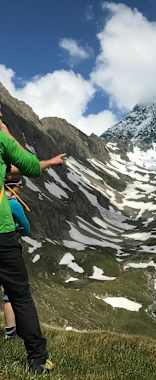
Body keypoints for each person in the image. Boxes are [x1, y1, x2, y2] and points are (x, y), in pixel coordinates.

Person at [0, 116, 65, 374]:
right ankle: (37, 360)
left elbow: (6, 170)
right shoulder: (2, 139)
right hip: (2, 232)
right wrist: (7, 134)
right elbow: (27, 165)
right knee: (20, 296)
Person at [2, 176, 30, 340]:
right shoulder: (13, 204)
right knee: (10, 292)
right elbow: (26, 227)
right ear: (12, 187)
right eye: (20, 186)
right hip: (8, 249)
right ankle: (11, 333)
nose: (21, 189)